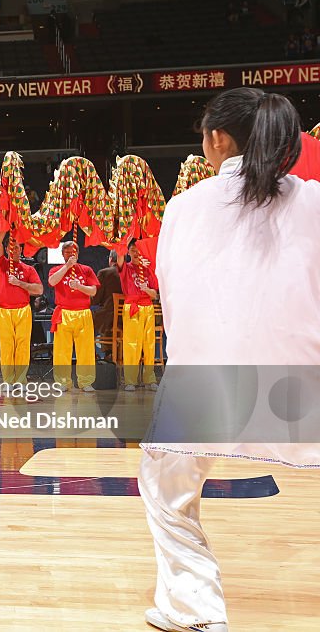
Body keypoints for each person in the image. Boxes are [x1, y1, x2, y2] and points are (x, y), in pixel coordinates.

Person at [138, 88, 320, 632]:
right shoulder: (312, 200)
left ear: (217, 139)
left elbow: (172, 294)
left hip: (208, 376)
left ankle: (194, 613)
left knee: (166, 485)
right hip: (302, 374)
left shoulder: (185, 206)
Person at [0, 231, 43, 385]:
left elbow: (39, 290)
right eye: (11, 247)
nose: (14, 250)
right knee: (7, 347)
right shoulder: (0, 264)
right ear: (7, 249)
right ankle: (8, 381)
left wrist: (19, 283)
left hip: (23, 310)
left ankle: (21, 381)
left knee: (22, 346)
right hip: (4, 310)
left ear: (21, 249)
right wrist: (3, 228)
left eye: (17, 248)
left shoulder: (29, 269)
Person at [48, 240, 99, 391]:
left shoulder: (86, 269)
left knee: (86, 350)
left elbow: (93, 291)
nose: (71, 254)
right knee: (62, 350)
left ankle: (86, 382)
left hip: (83, 313)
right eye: (67, 252)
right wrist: (67, 266)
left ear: (78, 254)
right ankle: (63, 382)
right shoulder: (56, 269)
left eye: (73, 252)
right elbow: (52, 282)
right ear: (62, 254)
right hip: (64, 313)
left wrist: (79, 286)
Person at [116, 239, 158, 391]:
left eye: (139, 249)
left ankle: (150, 378)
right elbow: (119, 257)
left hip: (148, 307)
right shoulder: (125, 268)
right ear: (129, 251)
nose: (136, 253)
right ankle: (130, 381)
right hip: (132, 307)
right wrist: (123, 240)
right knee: (131, 344)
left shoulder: (149, 269)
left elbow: (154, 294)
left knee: (149, 344)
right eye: (133, 249)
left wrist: (146, 289)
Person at [91, 250, 123, 359]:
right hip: (128, 317)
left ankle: (93, 356)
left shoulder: (104, 273)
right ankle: (114, 354)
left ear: (110, 259)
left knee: (85, 320)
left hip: (109, 316)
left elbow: (96, 298)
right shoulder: (128, 272)